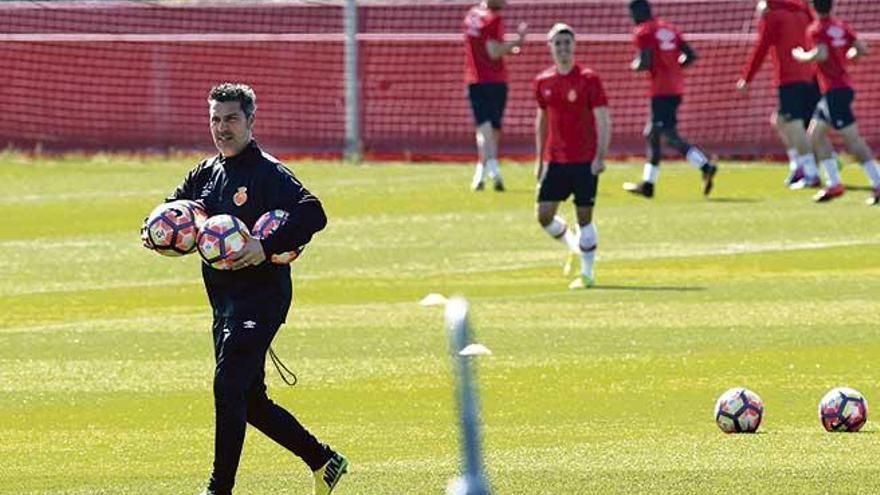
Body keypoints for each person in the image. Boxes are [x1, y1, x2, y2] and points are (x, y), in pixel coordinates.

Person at [141, 83, 347, 495]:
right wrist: (156, 231)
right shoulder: (205, 173)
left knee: (228, 386)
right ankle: (324, 462)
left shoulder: (268, 172)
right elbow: (173, 211)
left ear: (250, 121)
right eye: (215, 119)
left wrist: (263, 246)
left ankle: (219, 489)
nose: (222, 128)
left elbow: (314, 213)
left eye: (232, 119)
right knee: (249, 400)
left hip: (262, 298)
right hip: (224, 301)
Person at [534, 23, 612, 289]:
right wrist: (540, 160)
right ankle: (572, 245)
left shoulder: (589, 79)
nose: (563, 48)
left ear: (574, 46)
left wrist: (600, 156)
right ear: (550, 47)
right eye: (558, 43)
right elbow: (542, 120)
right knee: (544, 215)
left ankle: (587, 273)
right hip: (556, 160)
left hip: (584, 160)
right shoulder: (543, 81)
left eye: (567, 42)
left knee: (584, 218)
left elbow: (603, 119)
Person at [623, 0, 718, 199]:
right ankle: (648, 185)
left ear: (638, 11)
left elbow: (645, 62)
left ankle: (705, 166)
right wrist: (673, 68)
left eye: (631, 13)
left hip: (660, 90)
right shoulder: (669, 28)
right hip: (676, 88)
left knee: (668, 135)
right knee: (653, 134)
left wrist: (634, 65)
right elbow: (691, 55)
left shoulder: (643, 31)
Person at [792, 0, 880, 204]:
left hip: (835, 91)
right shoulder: (840, 26)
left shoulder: (816, 29)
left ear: (813, 7)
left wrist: (801, 56)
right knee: (815, 134)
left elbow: (821, 54)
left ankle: (877, 182)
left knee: (853, 140)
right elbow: (861, 49)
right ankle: (834, 184)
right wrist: (845, 57)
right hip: (837, 90)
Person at [737, 0, 824, 189]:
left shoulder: (773, 15)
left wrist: (746, 78)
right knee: (780, 120)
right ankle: (799, 165)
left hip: (790, 78)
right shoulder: (803, 11)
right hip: (811, 77)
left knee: (794, 126)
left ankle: (810, 173)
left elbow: (761, 47)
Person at [463, 0, 527, 191]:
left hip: (475, 79)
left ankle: (481, 173)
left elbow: (485, 48)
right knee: (490, 128)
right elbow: (493, 51)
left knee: (485, 129)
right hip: (494, 80)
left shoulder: (471, 15)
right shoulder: (493, 19)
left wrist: (508, 48)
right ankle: (494, 168)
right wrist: (518, 41)